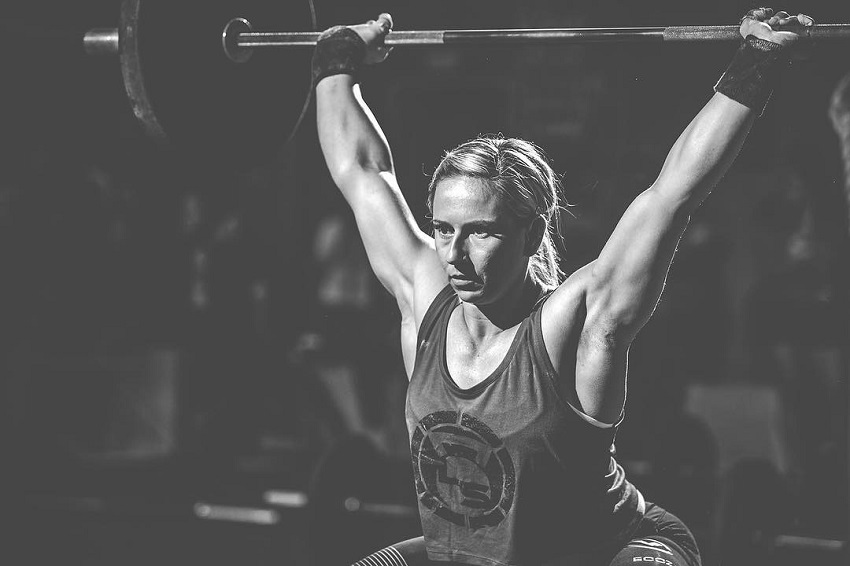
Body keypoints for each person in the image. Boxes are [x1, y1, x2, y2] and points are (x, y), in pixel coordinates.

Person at [313, 7, 814, 566]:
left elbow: (673, 194)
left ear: (532, 234)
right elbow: (360, 172)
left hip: (608, 550)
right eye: (443, 229)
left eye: (482, 232)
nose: (454, 252)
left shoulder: (574, 320)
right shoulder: (424, 297)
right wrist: (337, 57)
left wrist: (757, 62)